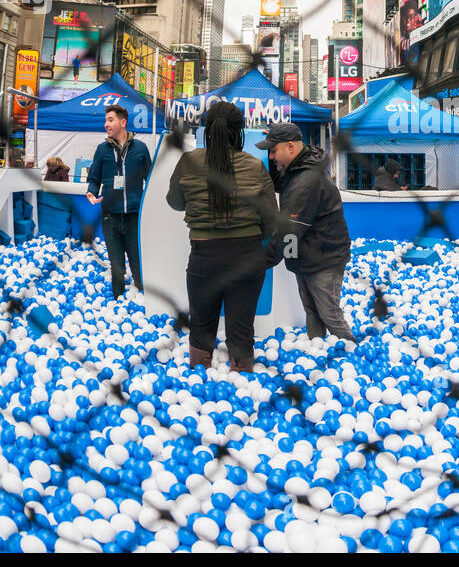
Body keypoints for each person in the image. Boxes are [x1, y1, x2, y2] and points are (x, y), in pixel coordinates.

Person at [167, 102, 279, 371]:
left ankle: (196, 385)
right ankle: (243, 385)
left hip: (204, 257)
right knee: (242, 331)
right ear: (239, 131)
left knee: (201, 326)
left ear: (208, 129)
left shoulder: (189, 162)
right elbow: (271, 219)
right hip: (247, 256)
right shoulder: (254, 166)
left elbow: (174, 201)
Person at [259, 122, 356, 344]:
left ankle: (353, 353)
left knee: (329, 313)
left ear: (291, 147)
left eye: (274, 150)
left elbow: (289, 231)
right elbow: (277, 182)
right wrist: (271, 144)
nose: (271, 157)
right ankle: (318, 351)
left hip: (324, 257)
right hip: (308, 254)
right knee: (312, 311)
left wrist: (261, 262)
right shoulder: (298, 169)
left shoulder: (306, 180)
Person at [86, 105, 151, 299]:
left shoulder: (140, 149)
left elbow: (151, 178)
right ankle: (118, 301)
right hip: (110, 217)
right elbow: (94, 178)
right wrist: (90, 192)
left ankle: (143, 297)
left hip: (133, 215)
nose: (106, 124)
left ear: (123, 123)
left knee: (137, 261)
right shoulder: (102, 150)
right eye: (105, 120)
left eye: (110, 120)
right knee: (116, 264)